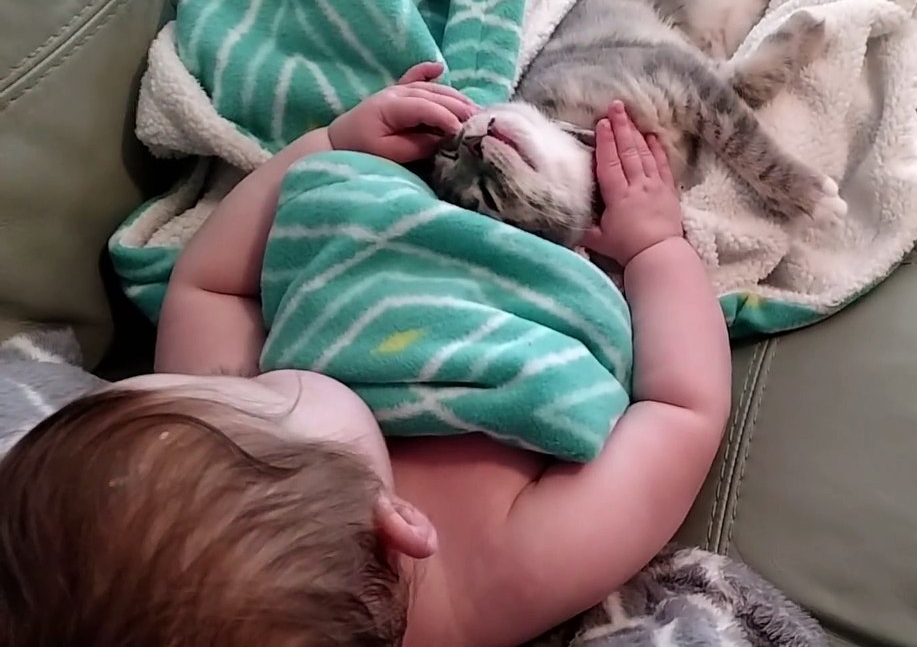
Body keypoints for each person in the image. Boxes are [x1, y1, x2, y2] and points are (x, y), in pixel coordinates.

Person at [0, 63, 732, 647]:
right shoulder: (491, 576)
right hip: (555, 266)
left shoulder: (212, 440)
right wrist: (655, 246)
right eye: (255, 393)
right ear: (398, 526)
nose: (248, 377)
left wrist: (332, 146)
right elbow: (681, 411)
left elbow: (210, 285)